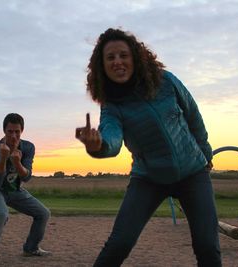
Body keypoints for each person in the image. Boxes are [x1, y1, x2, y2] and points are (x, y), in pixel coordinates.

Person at [75, 28, 221, 266]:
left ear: (135, 56)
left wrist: (205, 154)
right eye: (110, 58)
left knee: (207, 246)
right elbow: (112, 139)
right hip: (149, 178)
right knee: (119, 243)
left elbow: (193, 117)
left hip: (193, 174)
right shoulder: (112, 106)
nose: (118, 62)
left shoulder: (166, 81)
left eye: (123, 55)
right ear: (102, 67)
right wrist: (97, 145)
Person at [0, 113, 51, 266]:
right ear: (4, 131)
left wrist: (17, 163)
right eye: (10, 131)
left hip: (14, 190)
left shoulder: (28, 147)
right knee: (1, 214)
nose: (13, 135)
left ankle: (31, 248)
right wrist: (4, 158)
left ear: (22, 131)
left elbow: (26, 177)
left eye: (17, 131)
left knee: (43, 213)